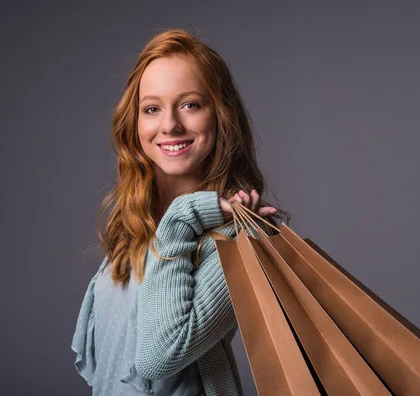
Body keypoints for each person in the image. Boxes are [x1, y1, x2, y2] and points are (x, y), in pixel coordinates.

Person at [71, 28, 286, 396]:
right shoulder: (137, 225)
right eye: (152, 108)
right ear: (134, 123)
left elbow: (159, 355)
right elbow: (106, 367)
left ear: (220, 116)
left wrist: (184, 215)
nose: (169, 125)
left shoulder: (243, 239)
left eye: (190, 104)